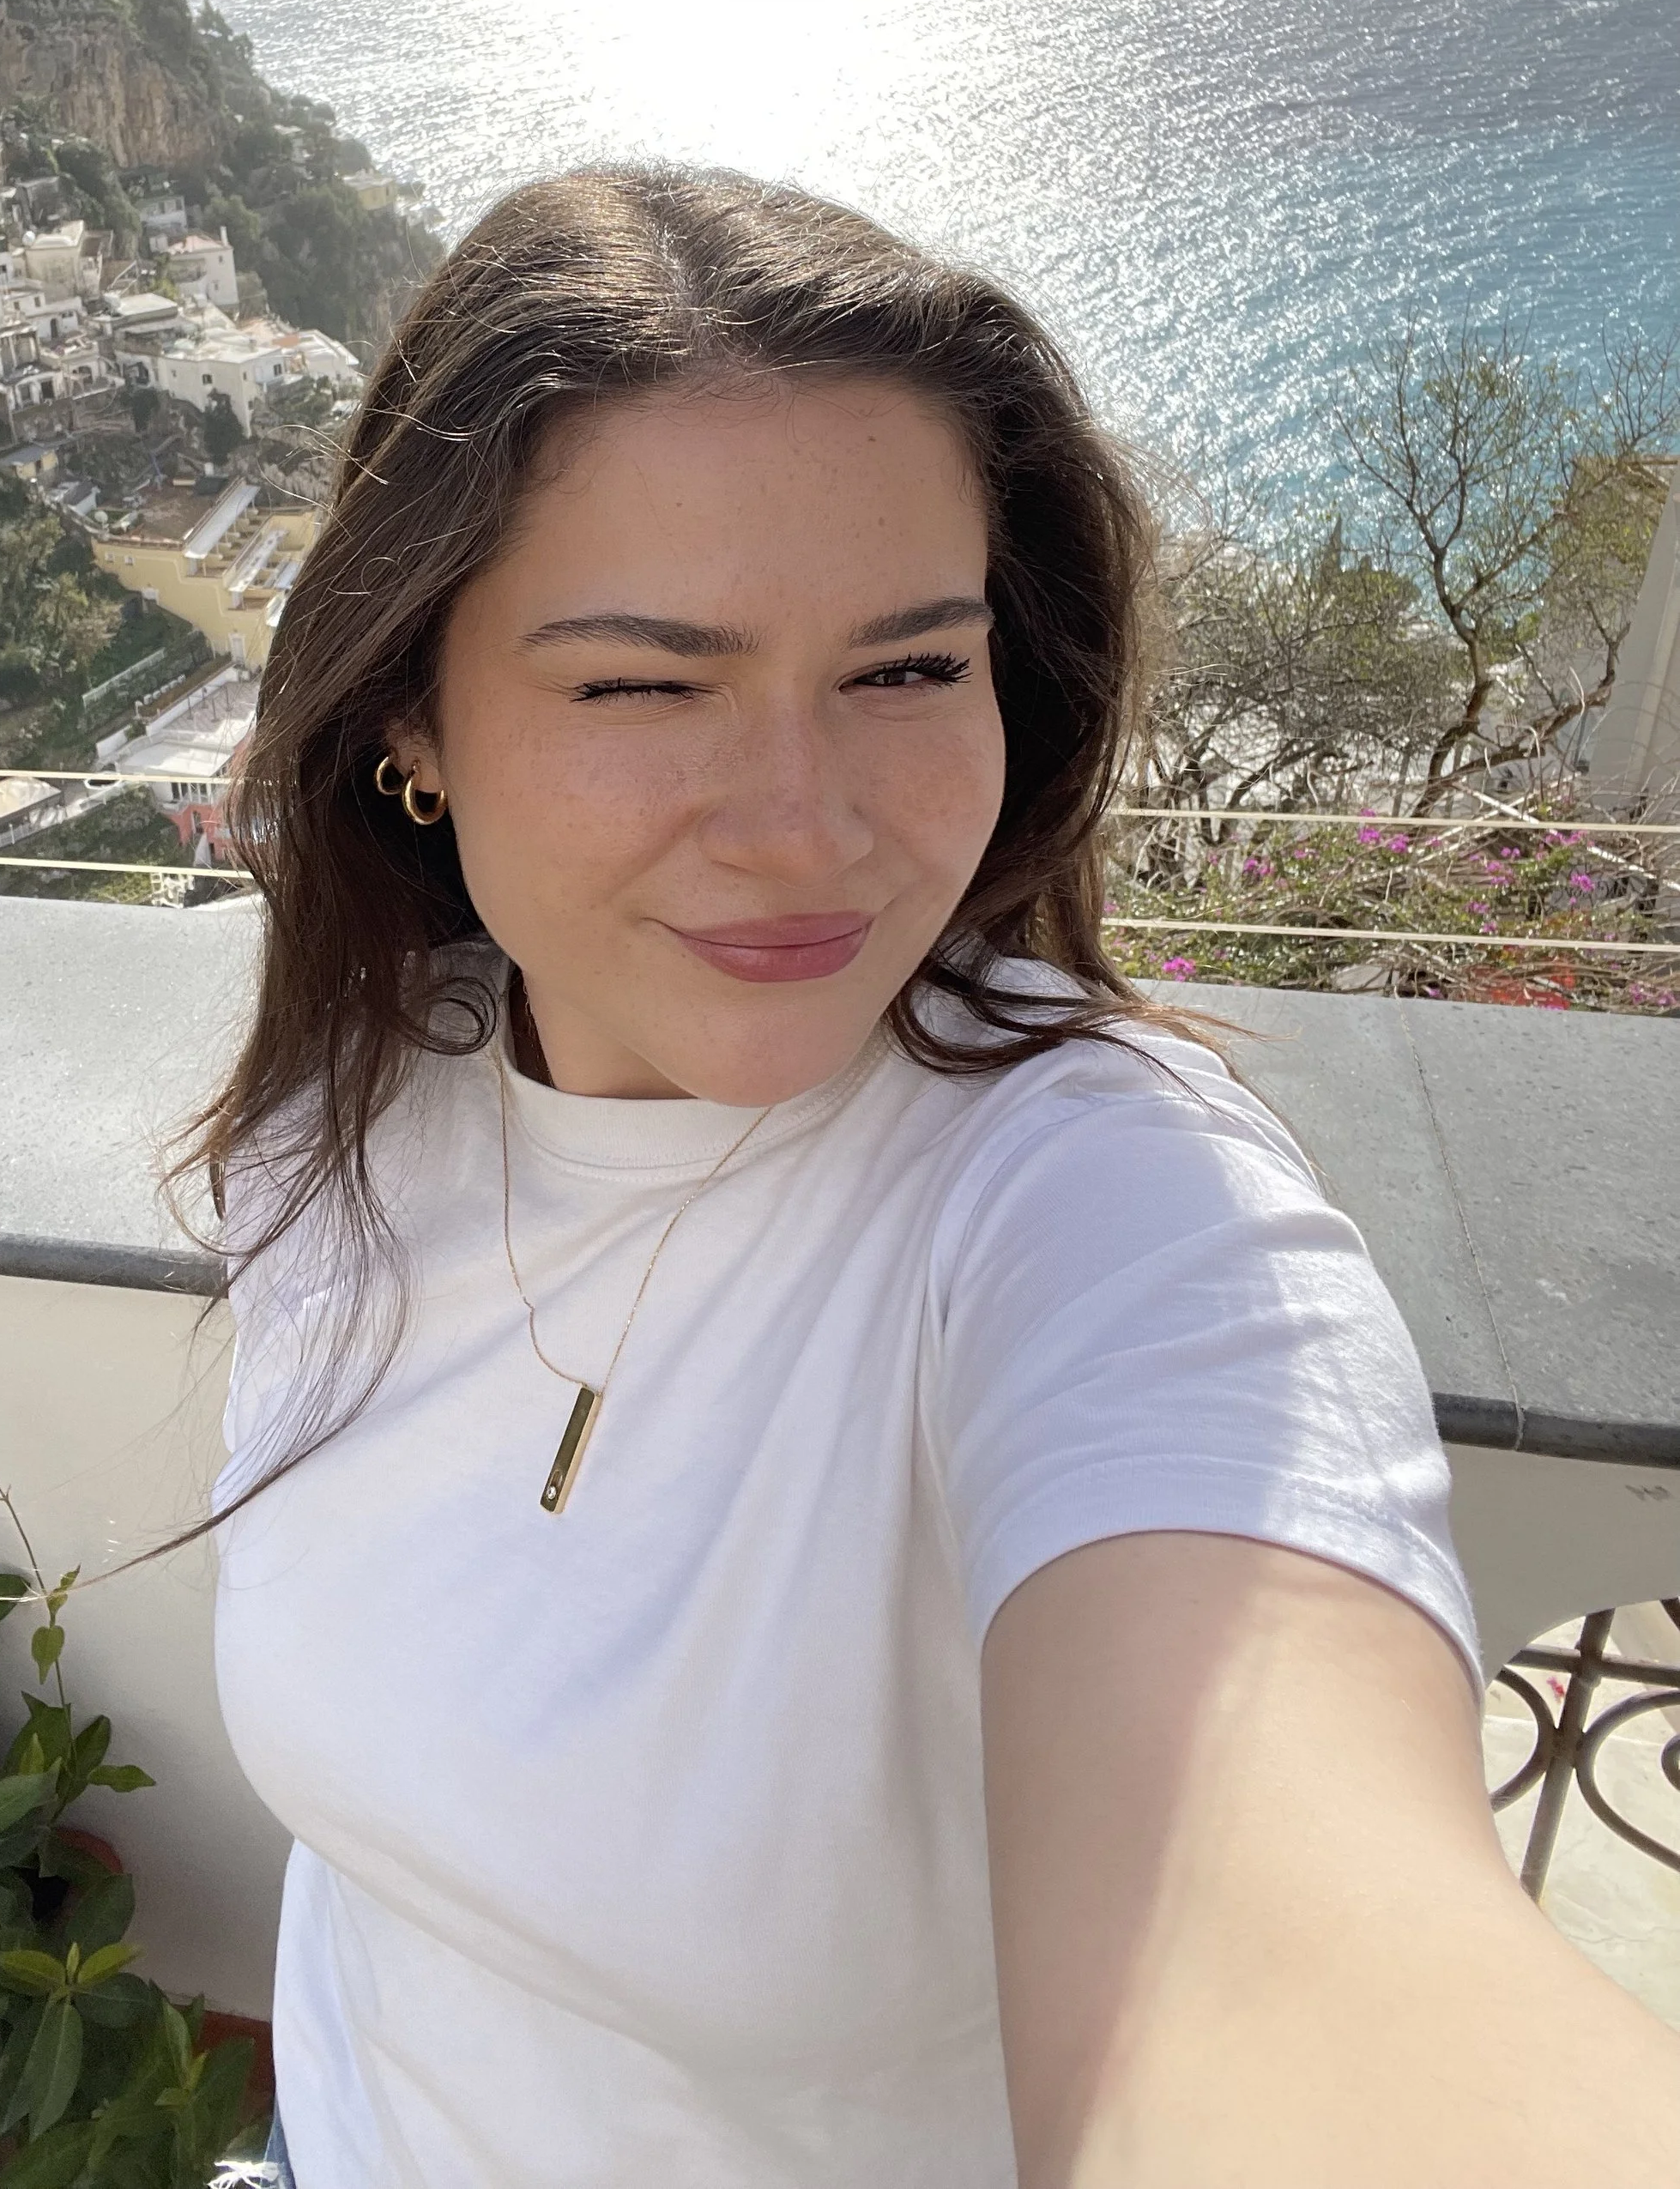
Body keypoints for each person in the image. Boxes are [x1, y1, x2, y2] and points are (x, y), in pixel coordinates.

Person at [195, 168, 1680, 2187]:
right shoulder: (352, 1110)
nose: (805, 829)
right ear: (407, 723)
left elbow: (1294, 1938)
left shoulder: (1102, 1217)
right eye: (641, 682)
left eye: (904, 670)